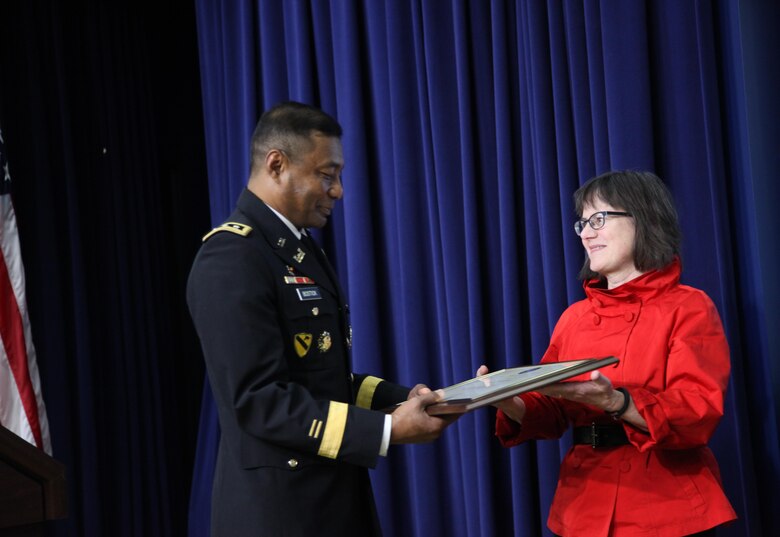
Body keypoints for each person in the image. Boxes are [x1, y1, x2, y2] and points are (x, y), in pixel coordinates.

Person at [187, 101, 457, 537]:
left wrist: (414, 397)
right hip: (279, 514)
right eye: (327, 175)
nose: (338, 191)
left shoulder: (299, 250)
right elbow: (259, 401)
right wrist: (386, 429)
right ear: (277, 164)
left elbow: (323, 377)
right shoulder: (232, 257)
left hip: (333, 500)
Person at [478, 170, 737, 536]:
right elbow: (551, 407)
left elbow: (697, 411)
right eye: (582, 222)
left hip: (665, 504)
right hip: (584, 502)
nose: (585, 233)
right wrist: (507, 400)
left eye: (598, 219)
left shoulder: (690, 307)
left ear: (643, 218)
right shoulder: (575, 317)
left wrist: (617, 402)